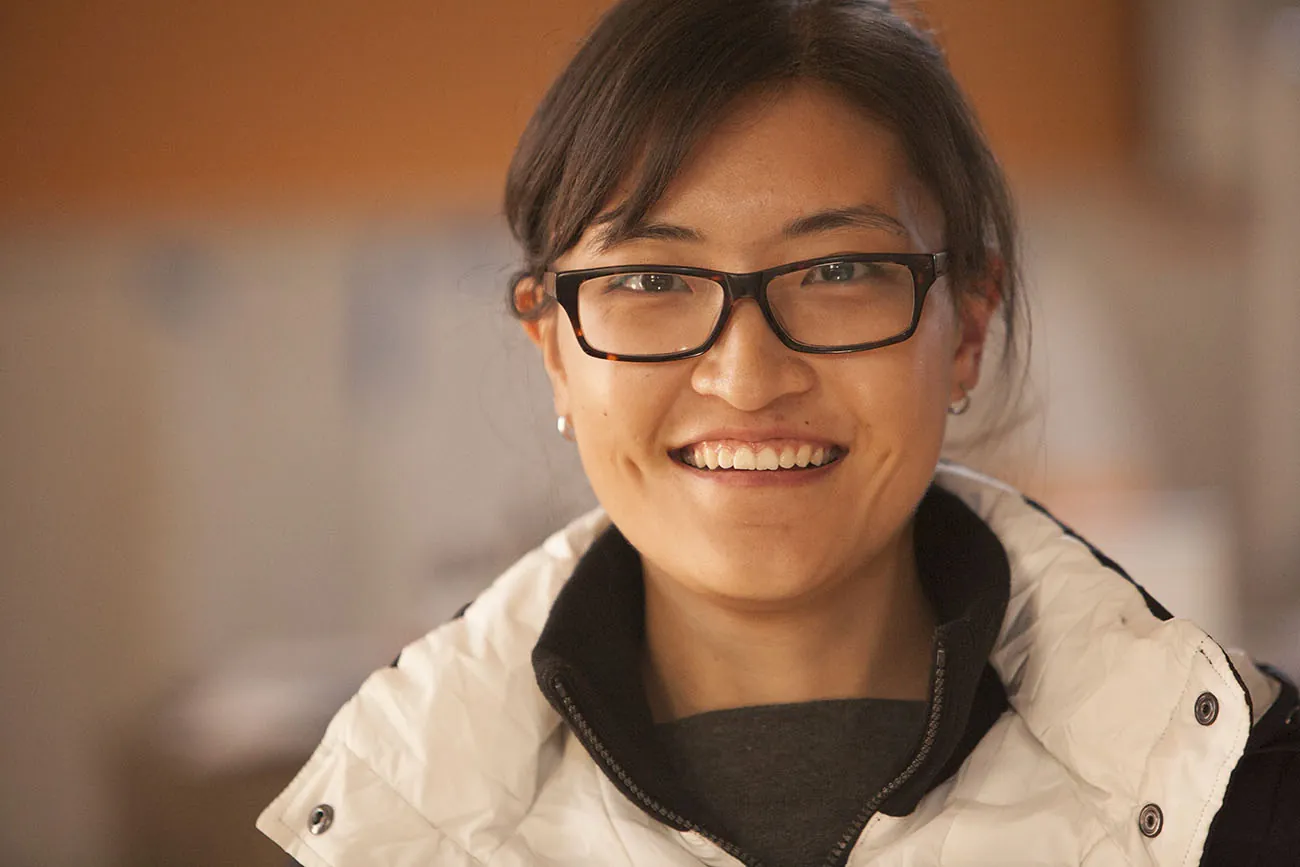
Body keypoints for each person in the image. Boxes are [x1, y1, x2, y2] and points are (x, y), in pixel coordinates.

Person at [258, 1, 1299, 864]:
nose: (745, 376)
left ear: (968, 328)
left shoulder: (1237, 798)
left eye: (839, 271)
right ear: (554, 348)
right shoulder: (392, 825)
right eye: (652, 280)